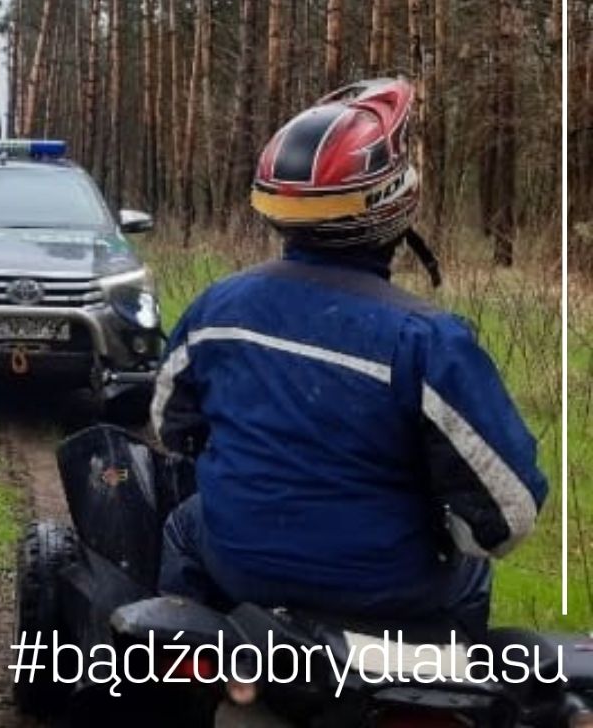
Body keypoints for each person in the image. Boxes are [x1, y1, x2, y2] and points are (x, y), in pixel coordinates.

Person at [152, 78, 547, 637]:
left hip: (241, 567)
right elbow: (509, 513)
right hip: (393, 592)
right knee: (473, 572)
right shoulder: (428, 340)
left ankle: (187, 679)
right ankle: (444, 687)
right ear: (396, 204)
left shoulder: (216, 308)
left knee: (181, 525)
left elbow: (170, 427)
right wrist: (448, 534)